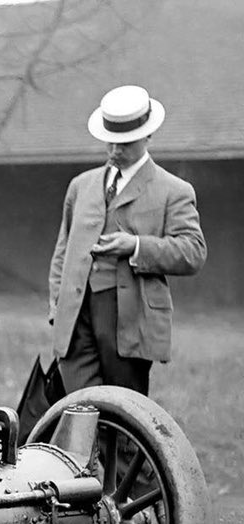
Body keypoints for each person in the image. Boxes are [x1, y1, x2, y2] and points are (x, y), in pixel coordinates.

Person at [48, 85, 206, 395]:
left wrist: (136, 246)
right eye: (110, 142)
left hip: (130, 321)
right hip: (75, 318)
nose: (115, 151)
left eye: (125, 143)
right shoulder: (81, 186)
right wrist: (57, 305)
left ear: (148, 136)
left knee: (122, 408)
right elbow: (62, 252)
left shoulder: (173, 190)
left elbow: (193, 251)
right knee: (78, 405)